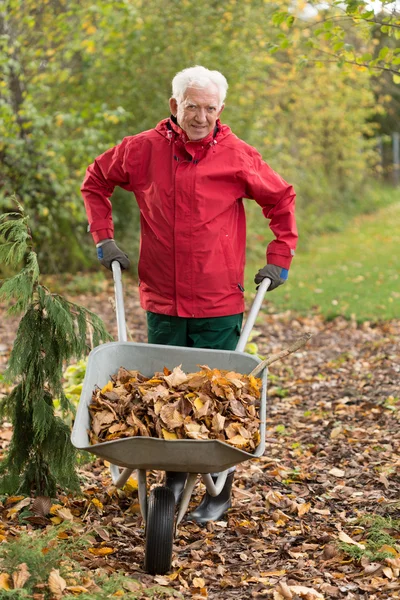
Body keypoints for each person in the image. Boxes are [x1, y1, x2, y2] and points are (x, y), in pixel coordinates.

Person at [81, 65, 298, 523]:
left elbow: (280, 200)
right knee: (167, 387)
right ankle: (176, 474)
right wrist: (103, 236)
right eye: (193, 106)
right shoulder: (141, 150)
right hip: (162, 295)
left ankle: (219, 486)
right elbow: (95, 181)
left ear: (222, 110)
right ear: (174, 105)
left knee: (221, 392)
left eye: (211, 108)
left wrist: (279, 256)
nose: (202, 117)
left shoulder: (238, 156)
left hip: (219, 295)